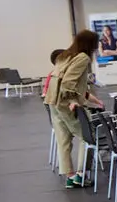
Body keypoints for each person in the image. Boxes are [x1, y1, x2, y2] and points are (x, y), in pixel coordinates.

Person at [44, 30, 105, 189]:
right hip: (65, 102)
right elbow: (68, 82)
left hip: (52, 101)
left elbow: (57, 79)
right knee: (88, 137)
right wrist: (72, 101)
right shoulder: (82, 58)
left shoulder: (64, 55)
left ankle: (70, 176)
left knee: (63, 140)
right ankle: (81, 174)